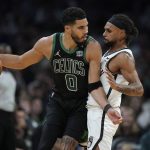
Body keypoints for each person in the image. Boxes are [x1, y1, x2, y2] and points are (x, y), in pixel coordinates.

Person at [0, 7, 122, 150]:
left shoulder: (92, 46)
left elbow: (94, 85)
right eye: (81, 27)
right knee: (44, 145)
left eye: (87, 26)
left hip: (80, 104)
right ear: (68, 28)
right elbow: (21, 61)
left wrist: (108, 108)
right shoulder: (49, 43)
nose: (86, 31)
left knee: (67, 144)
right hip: (58, 101)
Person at [87, 14, 144, 150]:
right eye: (105, 30)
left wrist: (118, 86)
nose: (104, 33)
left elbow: (139, 89)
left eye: (109, 30)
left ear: (122, 33)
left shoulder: (123, 57)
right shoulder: (108, 53)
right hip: (96, 111)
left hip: (105, 113)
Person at [0, 44, 17, 150]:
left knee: (10, 146)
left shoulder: (10, 74)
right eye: (4, 52)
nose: (7, 55)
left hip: (9, 115)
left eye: (9, 53)